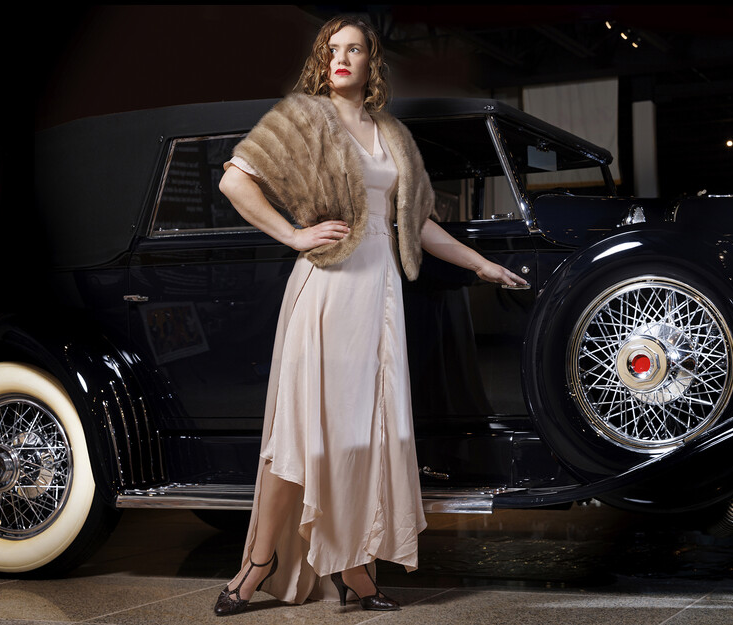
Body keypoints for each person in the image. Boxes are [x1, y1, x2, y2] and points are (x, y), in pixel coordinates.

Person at [213, 16, 526, 616]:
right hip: (327, 293)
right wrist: (294, 235)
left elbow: (415, 224)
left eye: (354, 49)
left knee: (360, 438)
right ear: (321, 59)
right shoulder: (304, 117)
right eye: (332, 49)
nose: (342, 57)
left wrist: (480, 264)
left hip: (377, 301)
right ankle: (257, 565)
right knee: (298, 437)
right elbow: (235, 181)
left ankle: (353, 569)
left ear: (370, 62)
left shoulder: (392, 135)